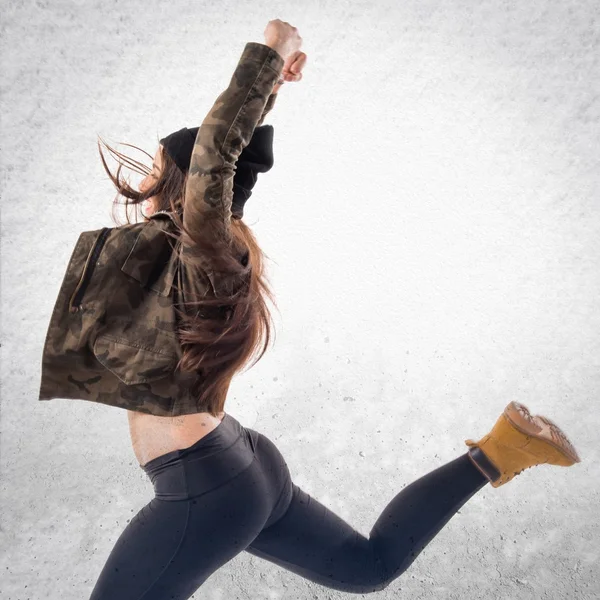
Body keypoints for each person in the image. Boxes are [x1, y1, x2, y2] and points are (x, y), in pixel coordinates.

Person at [81, 20, 581, 600]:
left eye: (155, 170)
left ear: (181, 186)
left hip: (204, 485)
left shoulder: (196, 247)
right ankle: (501, 450)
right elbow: (227, 166)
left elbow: (217, 155)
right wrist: (270, 94)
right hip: (240, 464)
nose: (143, 179)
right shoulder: (203, 253)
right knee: (367, 567)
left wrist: (269, 56)